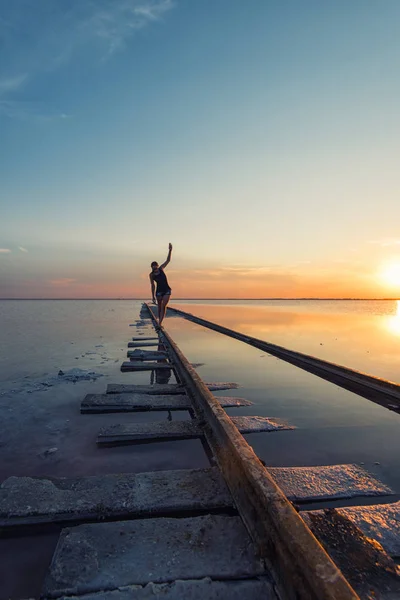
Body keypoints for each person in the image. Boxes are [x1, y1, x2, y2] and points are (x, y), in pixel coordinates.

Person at [149, 243, 173, 326]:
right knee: (159, 307)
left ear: (157, 266)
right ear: (152, 267)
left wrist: (170, 250)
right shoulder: (151, 275)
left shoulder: (161, 269)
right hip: (159, 291)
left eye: (156, 267)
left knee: (163, 305)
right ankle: (159, 321)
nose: (155, 269)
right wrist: (152, 296)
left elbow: (168, 260)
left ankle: (160, 322)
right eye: (153, 267)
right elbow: (152, 285)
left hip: (166, 289)